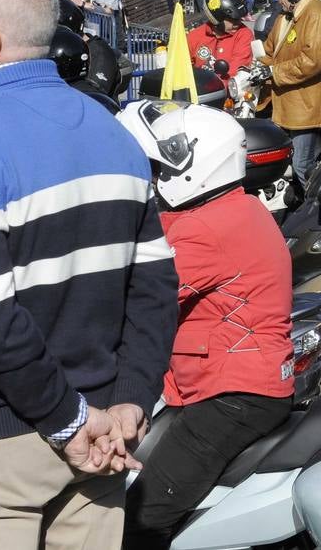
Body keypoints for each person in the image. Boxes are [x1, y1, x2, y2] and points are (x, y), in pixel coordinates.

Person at [0, 0, 177, 546]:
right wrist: (128, 398)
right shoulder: (114, 134)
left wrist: (70, 421)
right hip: (103, 428)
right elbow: (154, 290)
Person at [117, 102, 292, 549]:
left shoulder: (206, 229)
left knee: (143, 521)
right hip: (233, 384)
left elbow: (136, 295)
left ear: (193, 165)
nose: (154, 178)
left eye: (159, 167)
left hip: (233, 395)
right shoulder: (237, 207)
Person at [257, 0, 321, 185]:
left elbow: (312, 62)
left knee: (303, 166)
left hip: (306, 107)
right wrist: (254, 67)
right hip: (284, 103)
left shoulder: (318, 15)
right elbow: (270, 50)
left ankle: (314, 213)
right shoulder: (286, 17)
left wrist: (273, 71)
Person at [187, 0, 254, 86]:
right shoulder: (193, 37)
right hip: (200, 93)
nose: (238, 23)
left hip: (230, 94)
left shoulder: (244, 34)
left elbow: (237, 69)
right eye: (233, 20)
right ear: (217, 18)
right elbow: (182, 68)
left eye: (239, 19)